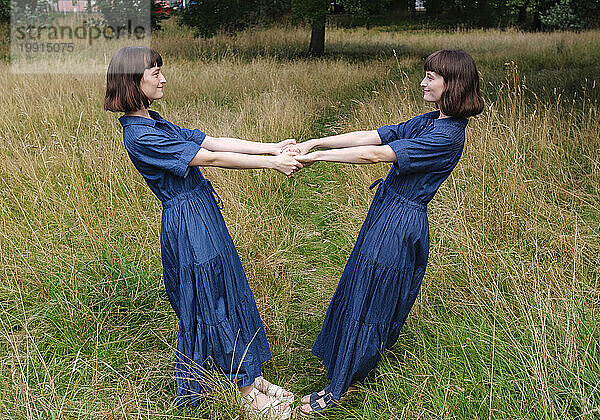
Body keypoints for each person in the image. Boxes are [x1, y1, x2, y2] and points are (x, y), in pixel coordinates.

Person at [104, 46, 299, 418]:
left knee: (227, 286)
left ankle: (247, 373)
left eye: (161, 69)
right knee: (210, 297)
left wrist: (271, 147)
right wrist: (272, 165)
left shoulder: (155, 120)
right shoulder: (139, 135)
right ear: (133, 80)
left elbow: (211, 141)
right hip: (187, 222)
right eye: (154, 72)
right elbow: (206, 158)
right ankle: (243, 390)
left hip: (201, 210)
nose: (162, 78)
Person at [292, 49, 485, 415]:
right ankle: (341, 363)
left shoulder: (447, 135)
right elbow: (376, 136)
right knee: (360, 285)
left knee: (372, 299)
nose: (423, 82)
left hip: (401, 223)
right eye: (425, 74)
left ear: (453, 84)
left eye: (431, 76)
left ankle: (339, 389)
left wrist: (315, 158)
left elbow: (375, 156)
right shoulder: (431, 120)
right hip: (387, 212)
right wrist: (317, 142)